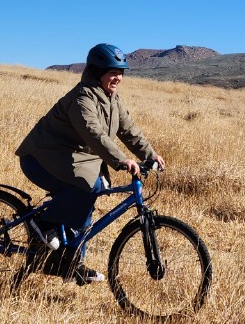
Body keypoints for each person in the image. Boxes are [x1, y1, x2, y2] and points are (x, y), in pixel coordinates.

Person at [14, 43, 166, 284]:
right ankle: (42, 223)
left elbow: (129, 130)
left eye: (120, 73)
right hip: (41, 158)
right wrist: (121, 160)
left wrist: (150, 154)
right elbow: (94, 133)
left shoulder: (112, 99)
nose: (117, 77)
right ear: (97, 72)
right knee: (89, 187)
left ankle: (71, 263)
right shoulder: (82, 98)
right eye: (111, 72)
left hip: (72, 159)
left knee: (90, 196)